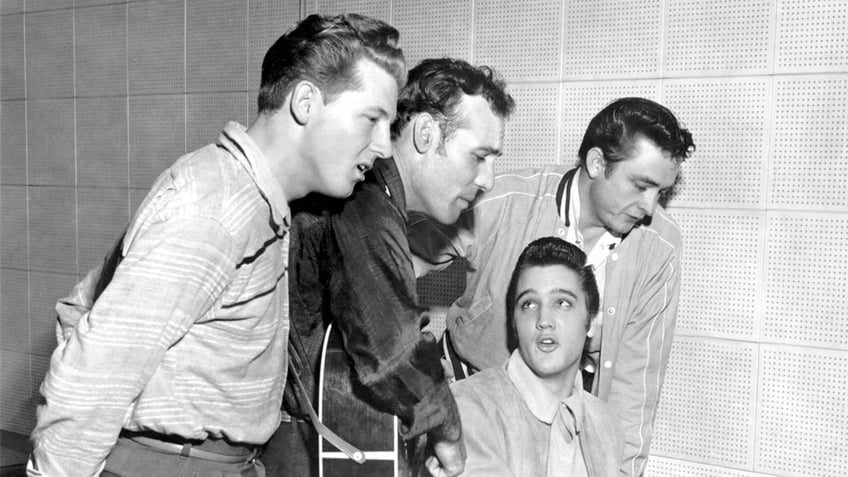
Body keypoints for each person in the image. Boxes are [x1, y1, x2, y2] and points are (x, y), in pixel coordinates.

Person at [28, 13, 405, 477]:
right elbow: (91, 375)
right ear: (306, 102)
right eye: (372, 119)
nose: (384, 147)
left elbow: (85, 305)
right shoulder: (216, 206)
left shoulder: (254, 202)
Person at [410, 97, 695, 476]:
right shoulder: (502, 202)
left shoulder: (660, 246)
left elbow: (635, 387)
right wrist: (417, 374)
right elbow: (388, 268)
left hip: (566, 423)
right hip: (468, 407)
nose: (649, 207)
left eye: (661, 191)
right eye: (641, 185)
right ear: (597, 163)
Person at [263, 58, 515, 477]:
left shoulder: (370, 198)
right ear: (425, 133)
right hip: (293, 450)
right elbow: (392, 352)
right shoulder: (365, 202)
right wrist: (449, 432)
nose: (488, 179)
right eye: (480, 157)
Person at [453, 237, 623, 476]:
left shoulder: (607, 426)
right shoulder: (468, 407)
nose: (543, 320)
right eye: (529, 304)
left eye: (562, 303)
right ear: (514, 321)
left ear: (591, 321)